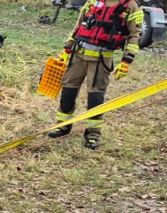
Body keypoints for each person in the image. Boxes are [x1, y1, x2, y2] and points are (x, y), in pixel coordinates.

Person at [47, 0, 143, 149]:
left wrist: (126, 60)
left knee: (95, 96)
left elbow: (135, 35)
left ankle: (92, 134)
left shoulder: (131, 6)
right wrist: (67, 49)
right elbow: (79, 25)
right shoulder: (93, 2)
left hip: (101, 58)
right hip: (78, 54)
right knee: (68, 92)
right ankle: (62, 127)